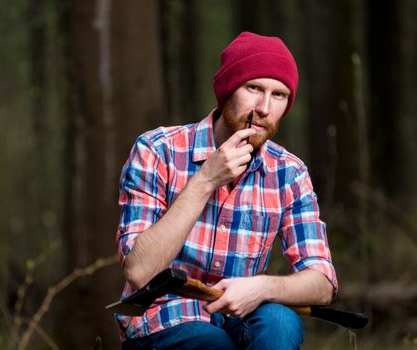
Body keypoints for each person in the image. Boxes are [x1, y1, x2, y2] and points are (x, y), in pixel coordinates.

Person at [114, 32, 338, 349]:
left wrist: (261, 287)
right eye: (254, 88)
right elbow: (138, 271)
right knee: (213, 344)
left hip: (240, 312)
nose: (264, 107)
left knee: (281, 323)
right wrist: (206, 180)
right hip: (163, 319)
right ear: (227, 90)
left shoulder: (289, 172)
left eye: (279, 95)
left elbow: (321, 281)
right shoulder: (157, 150)